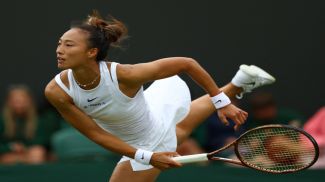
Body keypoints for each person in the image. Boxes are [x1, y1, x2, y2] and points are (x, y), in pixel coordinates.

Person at [44, 11, 275, 182]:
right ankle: (239, 83)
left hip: (148, 136)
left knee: (178, 131)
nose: (59, 49)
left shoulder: (125, 75)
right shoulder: (57, 91)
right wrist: (147, 157)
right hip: (145, 122)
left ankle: (234, 87)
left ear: (91, 52)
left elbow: (187, 64)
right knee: (179, 129)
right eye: (59, 44)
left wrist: (221, 102)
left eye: (69, 45)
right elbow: (95, 133)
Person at [0, 85, 57, 164]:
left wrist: (24, 147)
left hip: (30, 153)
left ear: (29, 101)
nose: (19, 105)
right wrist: (10, 147)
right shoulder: (2, 120)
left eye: (23, 101)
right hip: (8, 154)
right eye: (16, 101)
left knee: (37, 153)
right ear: (9, 102)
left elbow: (44, 141)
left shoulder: (39, 119)